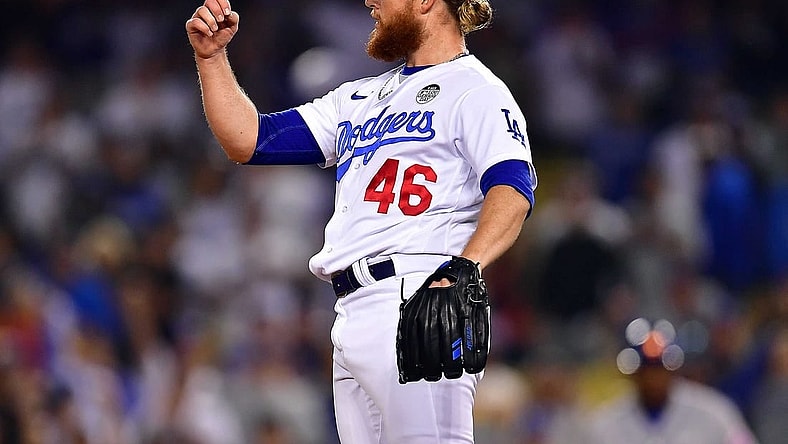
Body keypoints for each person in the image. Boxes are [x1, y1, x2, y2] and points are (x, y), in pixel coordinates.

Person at [185, 0, 537, 442]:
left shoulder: (476, 89)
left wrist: (465, 267)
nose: (370, 2)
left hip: (419, 296)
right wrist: (211, 58)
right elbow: (249, 139)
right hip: (351, 309)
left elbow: (512, 189)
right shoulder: (358, 97)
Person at [589, 318, 758, 444]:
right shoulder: (606, 423)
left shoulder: (715, 411)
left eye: (659, 369)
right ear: (634, 374)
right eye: (646, 370)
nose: (653, 378)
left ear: (673, 368)